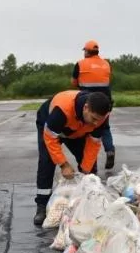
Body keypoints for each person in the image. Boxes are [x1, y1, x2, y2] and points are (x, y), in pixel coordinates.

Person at [33, 90, 112, 226]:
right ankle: (42, 205)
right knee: (47, 161)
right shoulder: (62, 110)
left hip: (77, 131)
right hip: (50, 127)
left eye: (98, 121)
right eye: (93, 119)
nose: (95, 124)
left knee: (90, 169)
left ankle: (88, 203)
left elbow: (93, 144)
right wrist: (63, 164)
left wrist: (85, 170)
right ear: (86, 108)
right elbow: (51, 138)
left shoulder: (100, 117)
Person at [71, 40, 116, 169]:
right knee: (104, 128)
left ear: (86, 51)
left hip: (88, 104)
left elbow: (74, 83)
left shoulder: (80, 64)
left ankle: (89, 164)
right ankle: (110, 150)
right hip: (105, 104)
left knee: (87, 132)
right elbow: (107, 80)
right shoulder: (106, 64)